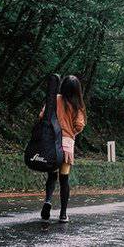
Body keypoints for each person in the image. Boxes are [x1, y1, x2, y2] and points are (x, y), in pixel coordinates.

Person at [38, 75, 86, 223]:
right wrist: (71, 132)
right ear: (77, 89)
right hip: (66, 145)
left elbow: (42, 116)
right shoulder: (77, 105)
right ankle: (63, 214)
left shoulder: (54, 99)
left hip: (52, 142)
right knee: (64, 179)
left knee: (51, 176)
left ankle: (47, 201)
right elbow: (79, 125)